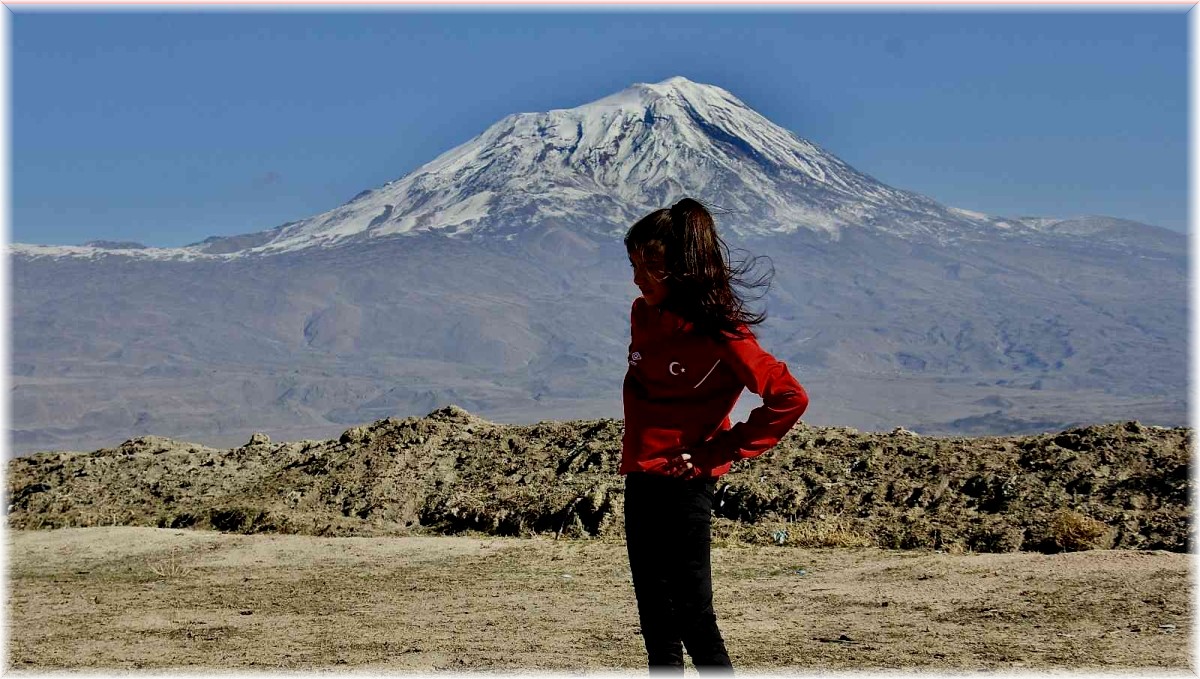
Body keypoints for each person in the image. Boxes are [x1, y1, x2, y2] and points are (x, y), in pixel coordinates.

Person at [620, 198, 809, 674]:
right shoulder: (642, 315)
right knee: (654, 616)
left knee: (692, 613)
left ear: (682, 270)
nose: (637, 279)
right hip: (642, 478)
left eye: (649, 268)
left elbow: (789, 397)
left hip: (686, 487)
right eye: (633, 265)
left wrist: (720, 451)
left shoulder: (724, 335)